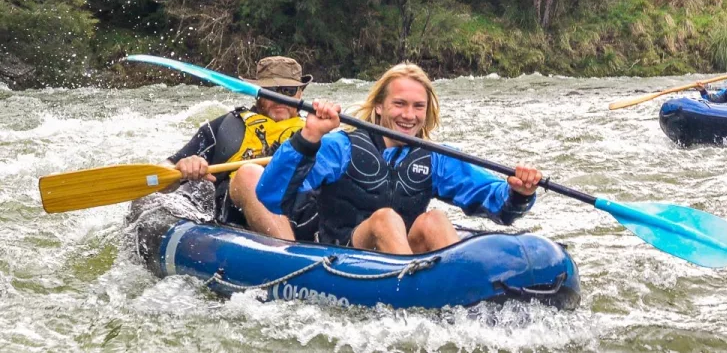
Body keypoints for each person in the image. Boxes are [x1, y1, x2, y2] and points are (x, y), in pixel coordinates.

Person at [230, 62, 543, 254]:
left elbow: (497, 206)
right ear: (379, 106)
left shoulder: (434, 158)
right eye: (400, 104)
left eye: (418, 107)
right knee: (385, 219)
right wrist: (309, 136)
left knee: (434, 220)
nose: (409, 115)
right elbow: (272, 196)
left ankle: (463, 296)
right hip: (344, 252)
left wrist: (519, 193)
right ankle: (415, 295)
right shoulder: (342, 146)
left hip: (402, 249)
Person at [165, 56, 313, 230]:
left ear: (300, 94)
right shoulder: (227, 127)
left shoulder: (316, 132)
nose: (280, 98)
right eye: (271, 91)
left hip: (302, 212)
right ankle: (287, 251)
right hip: (238, 216)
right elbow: (166, 170)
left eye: (288, 90)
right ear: (256, 93)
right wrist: (183, 167)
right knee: (249, 174)